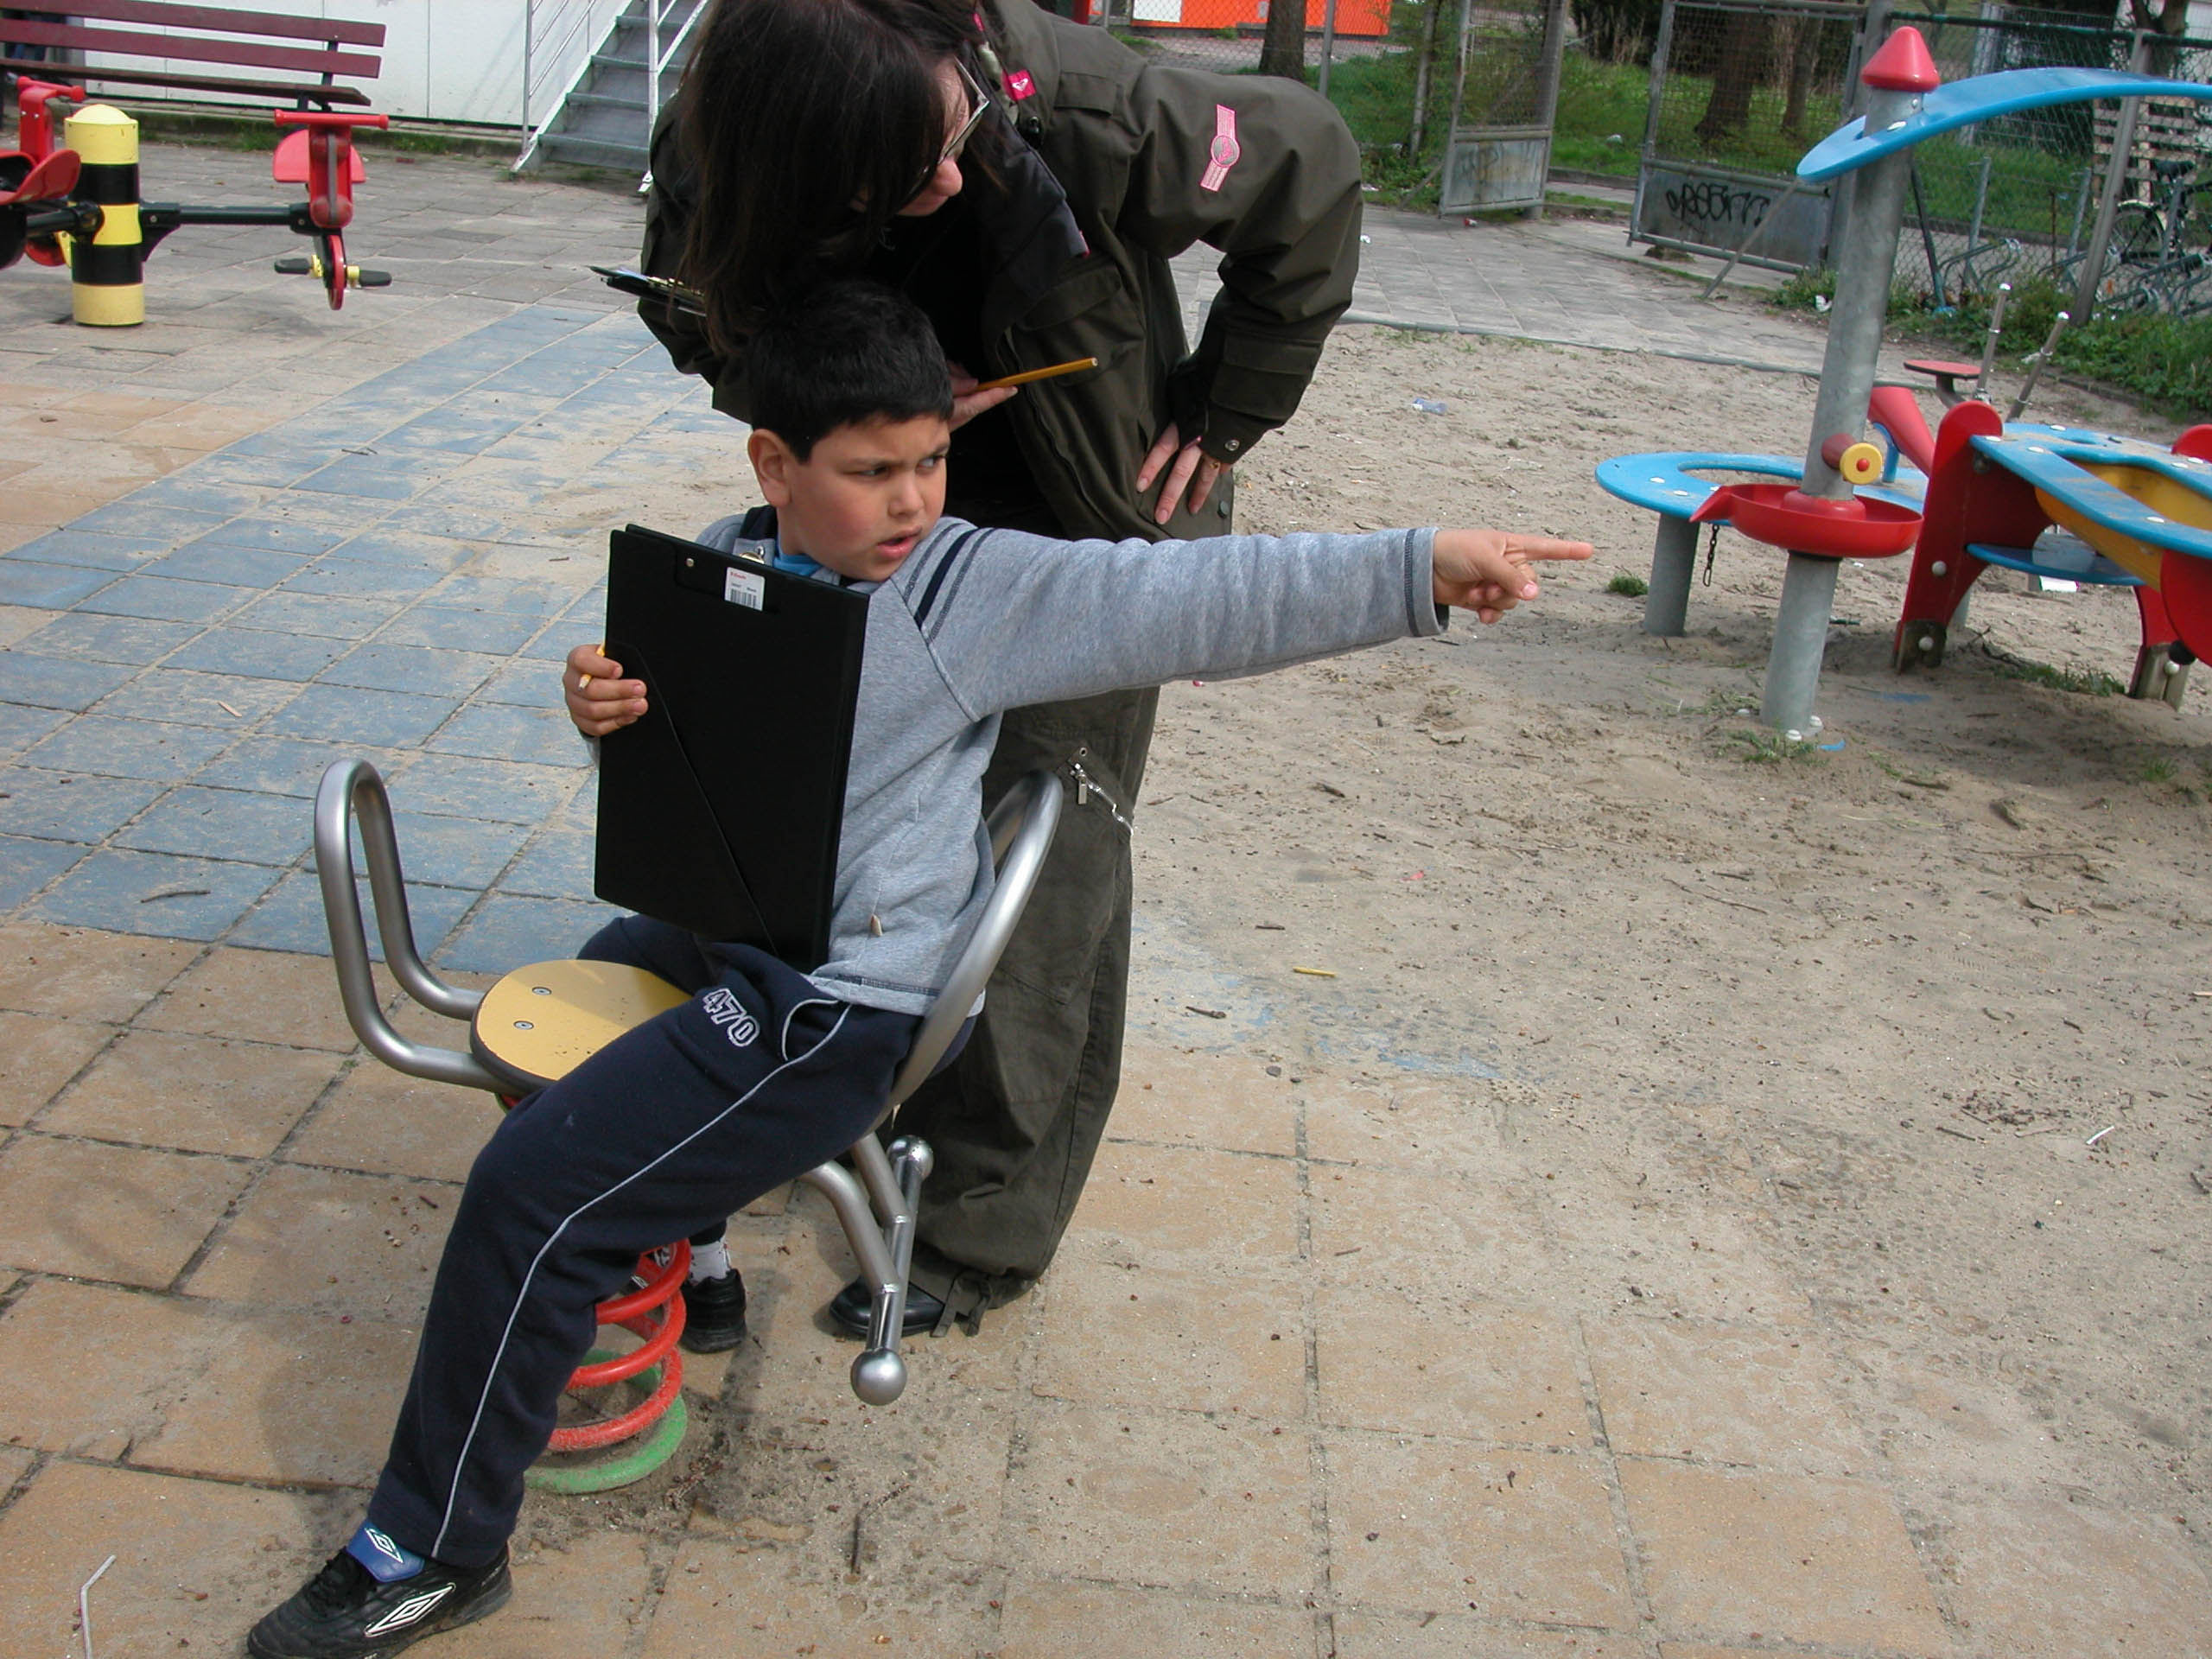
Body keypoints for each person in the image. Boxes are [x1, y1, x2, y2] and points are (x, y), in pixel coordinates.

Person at [245, 281, 1586, 1659]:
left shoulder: (970, 589)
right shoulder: (720, 561)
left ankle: (435, 1545)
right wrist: (607, 709)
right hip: (733, 931)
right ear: (775, 464)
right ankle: (692, 1256)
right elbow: (680, 777)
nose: (909, 500)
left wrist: (1417, 564)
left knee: (530, 1191)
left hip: (836, 1006)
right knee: (584, 996)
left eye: (930, 457)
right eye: (870, 470)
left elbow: (1189, 595)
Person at [628, 0, 1368, 1344]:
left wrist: (1224, 406)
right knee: (826, 821)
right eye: (906, 178)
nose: (952, 184)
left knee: (1042, 856)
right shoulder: (731, 130)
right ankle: (818, 1088)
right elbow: (698, 306)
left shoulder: (1088, 110)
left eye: (953, 138)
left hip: (1073, 515)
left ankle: (974, 1224)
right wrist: (846, 396)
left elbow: (1310, 164)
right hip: (866, 515)